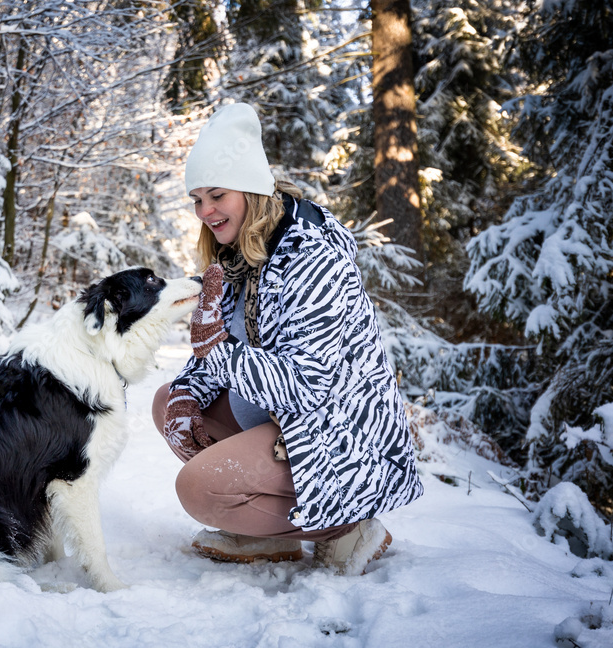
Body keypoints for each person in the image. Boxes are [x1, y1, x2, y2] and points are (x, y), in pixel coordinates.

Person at [152, 103, 423, 575]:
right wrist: (191, 388)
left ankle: (346, 529)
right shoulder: (238, 255)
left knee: (198, 489)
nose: (205, 211)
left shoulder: (310, 258)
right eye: (197, 198)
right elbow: (217, 348)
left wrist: (218, 350)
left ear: (252, 190)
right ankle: (259, 532)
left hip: (337, 436)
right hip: (277, 419)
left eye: (217, 194)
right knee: (170, 403)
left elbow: (306, 385)